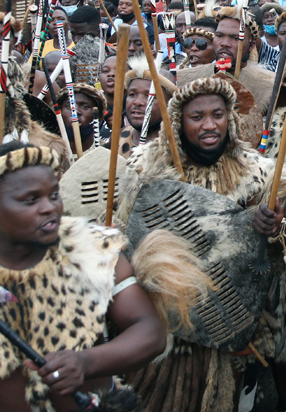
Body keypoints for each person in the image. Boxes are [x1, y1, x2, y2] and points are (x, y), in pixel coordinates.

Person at [116, 76, 286, 412]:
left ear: (230, 117)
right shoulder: (146, 168)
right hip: (167, 324)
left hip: (232, 323)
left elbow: (281, 246)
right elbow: (124, 238)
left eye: (218, 114)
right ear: (177, 122)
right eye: (196, 117)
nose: (210, 125)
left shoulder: (257, 172)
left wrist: (271, 227)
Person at [0, 142, 167, 412]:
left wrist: (85, 363)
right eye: (30, 200)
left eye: (53, 195)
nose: (48, 208)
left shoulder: (92, 248)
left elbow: (150, 332)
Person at [177, 5, 276, 114]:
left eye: (235, 38)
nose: (224, 43)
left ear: (251, 45)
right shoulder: (185, 79)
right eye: (219, 36)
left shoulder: (269, 87)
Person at [116, 55, 177, 158]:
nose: (138, 102)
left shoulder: (179, 146)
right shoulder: (116, 139)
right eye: (132, 94)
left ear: (170, 103)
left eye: (150, 96)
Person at [58, 83, 106, 154]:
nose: (76, 111)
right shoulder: (50, 153)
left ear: (99, 117)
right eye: (69, 106)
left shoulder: (108, 153)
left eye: (85, 107)